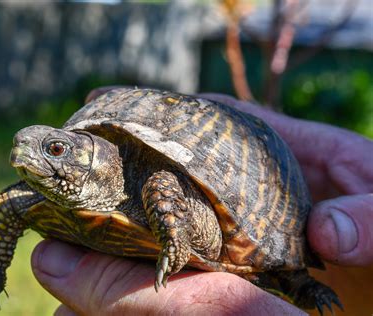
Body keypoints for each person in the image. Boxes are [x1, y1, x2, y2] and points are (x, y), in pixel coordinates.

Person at [30, 87, 373, 315]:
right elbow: (9, 209)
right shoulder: (45, 192)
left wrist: (173, 237)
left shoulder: (156, 182)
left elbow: (163, 181)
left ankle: (296, 282)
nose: (27, 149)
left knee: (161, 182)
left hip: (221, 227)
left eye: (56, 149)